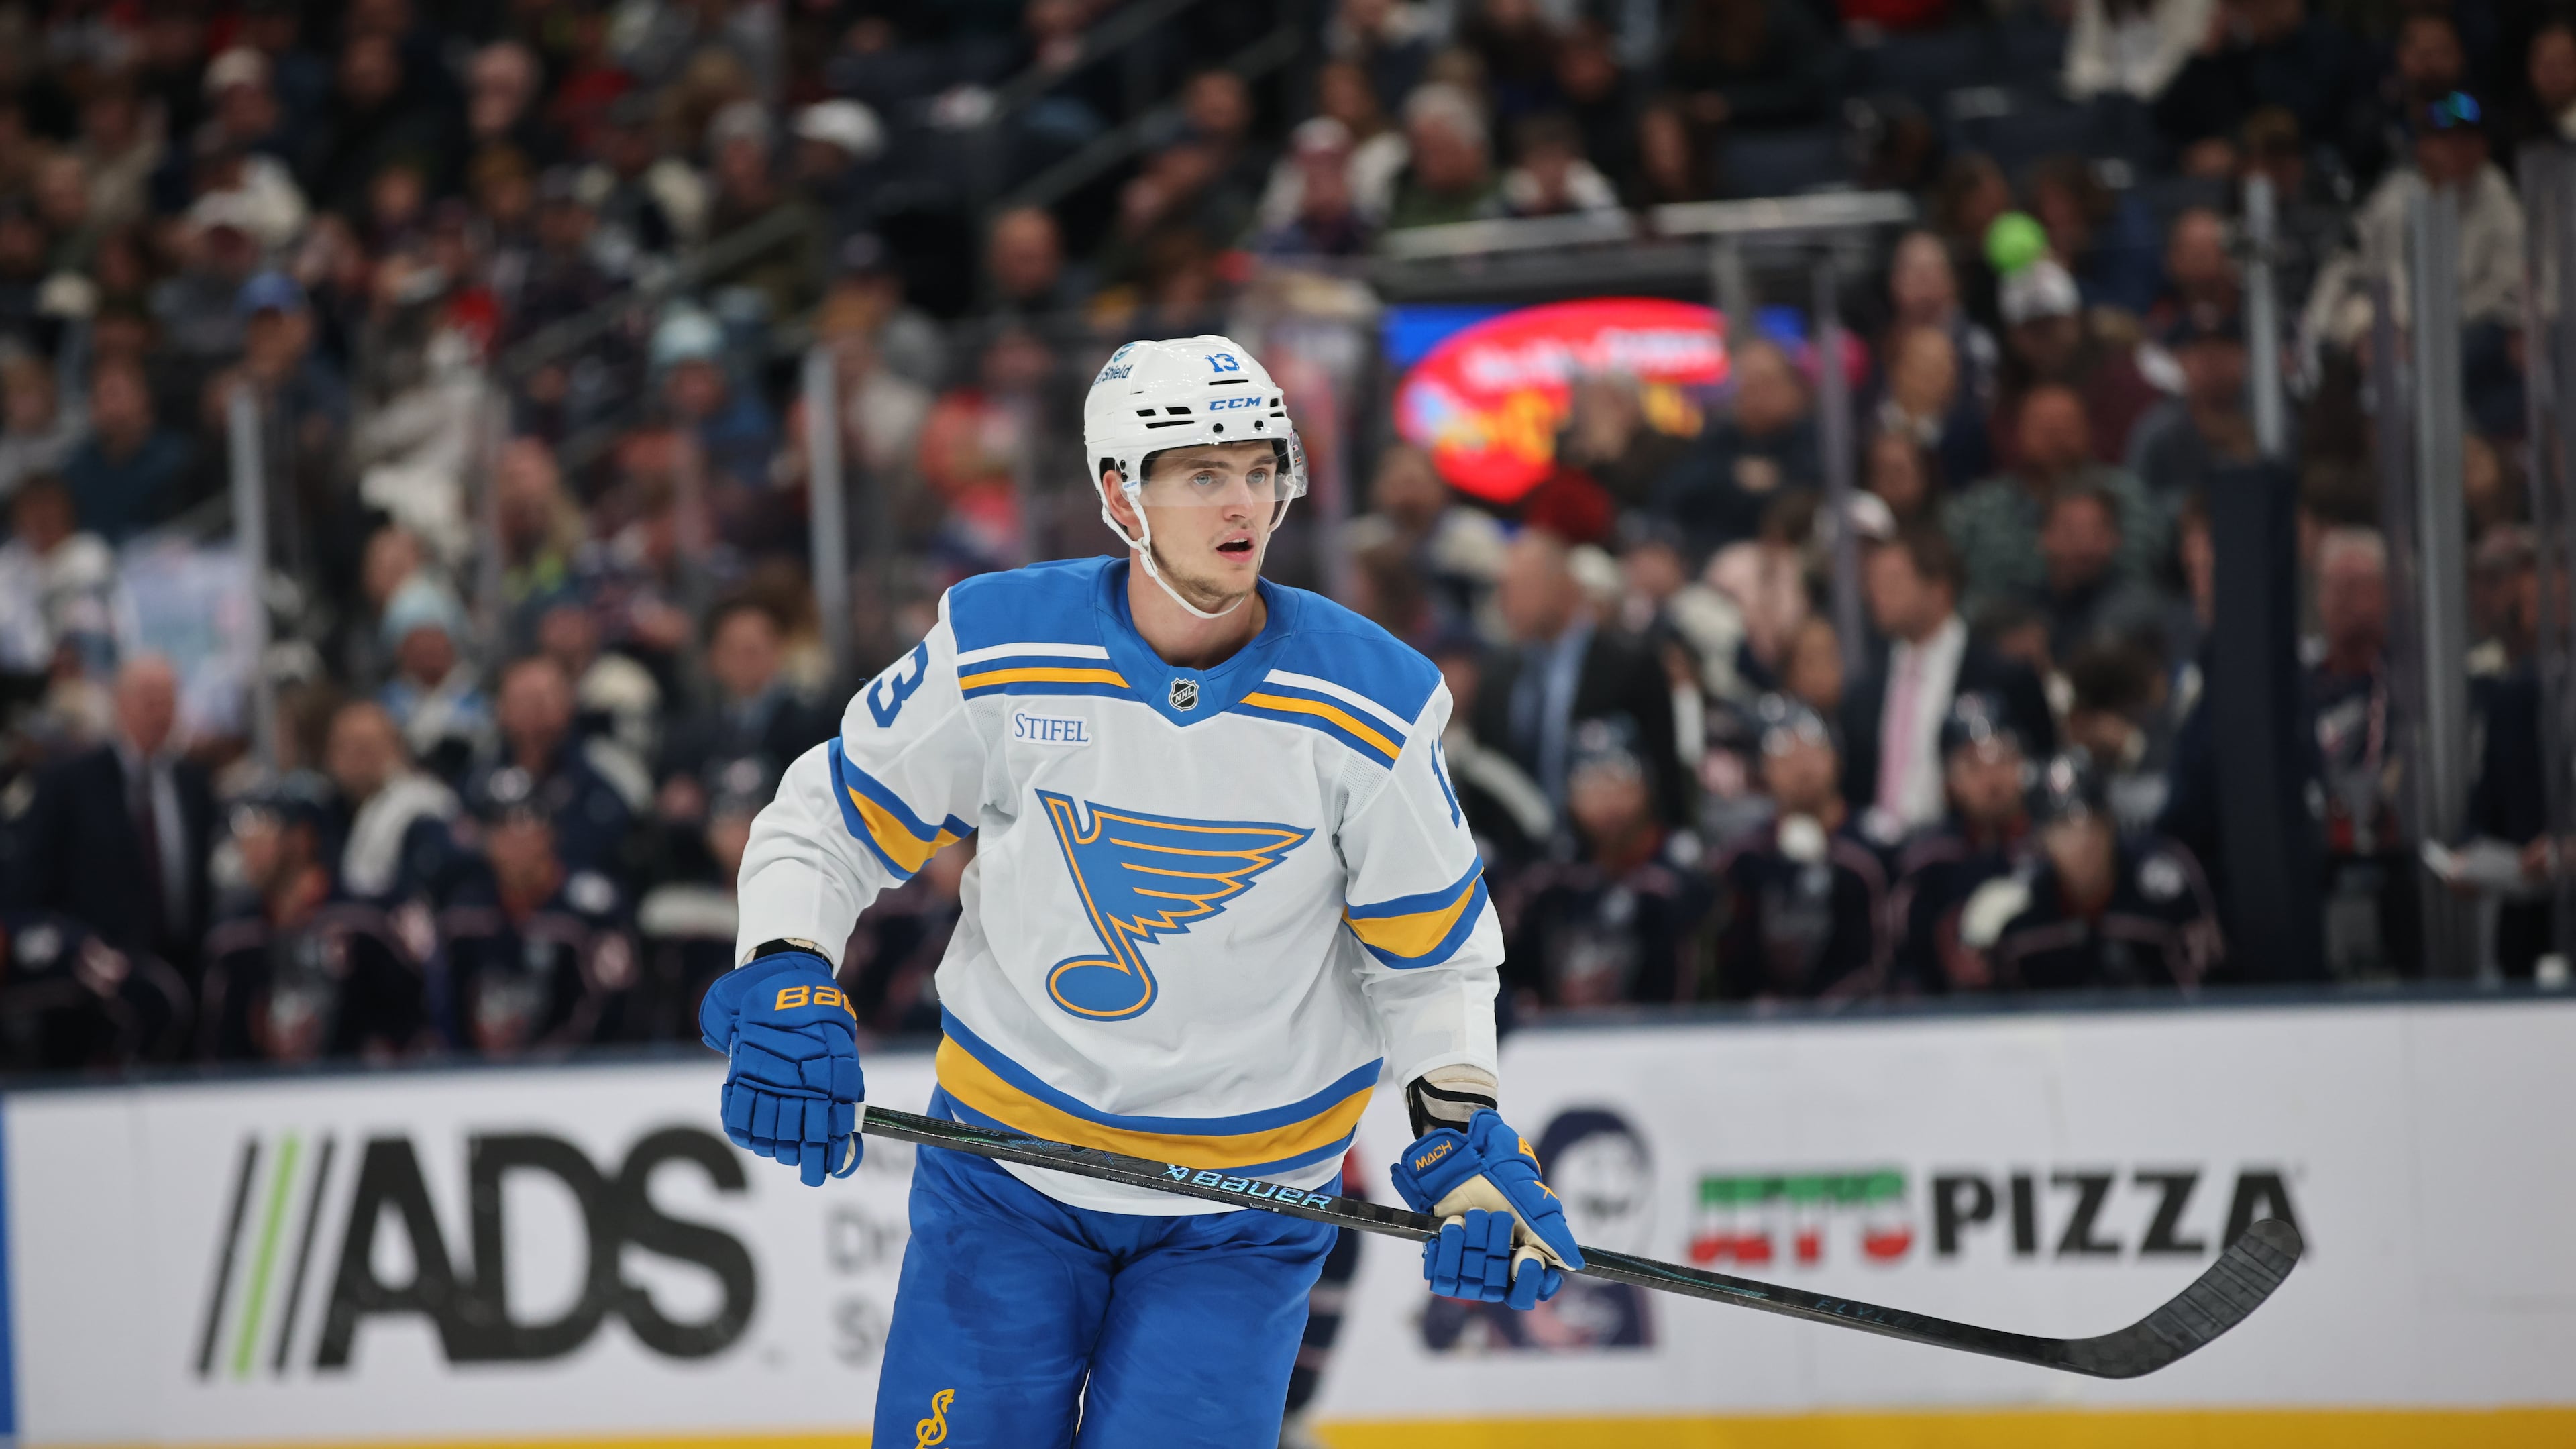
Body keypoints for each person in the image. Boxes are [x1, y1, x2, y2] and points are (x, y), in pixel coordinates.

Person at [710, 335, 1581, 1445]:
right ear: (1121, 492)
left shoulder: (1373, 704)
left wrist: (1462, 1144)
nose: (1245, 503)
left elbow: (1434, 956)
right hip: (1004, 1176)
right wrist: (786, 967)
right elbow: (825, 819)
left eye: (1262, 470)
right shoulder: (997, 644)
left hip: (1245, 1214)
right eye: (1204, 473)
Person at [0, 655, 215, 985]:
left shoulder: (194, 785)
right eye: (149, 699)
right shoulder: (68, 783)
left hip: (184, 970)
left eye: (168, 700)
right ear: (121, 702)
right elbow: (29, 884)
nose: (160, 711)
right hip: (102, 984)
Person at [1841, 527, 2056, 838]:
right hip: (1880, 853)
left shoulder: (2005, 678)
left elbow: (2040, 768)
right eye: (1871, 582)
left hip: (1971, 850)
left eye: (1892, 582)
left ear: (1939, 590)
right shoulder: (1865, 689)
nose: (1875, 594)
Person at [1470, 528, 1691, 825]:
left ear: (1563, 584)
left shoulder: (1631, 665)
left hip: (1617, 852)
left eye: (1516, 587)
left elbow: (1664, 768)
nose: (1504, 602)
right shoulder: (1497, 676)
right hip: (1524, 860)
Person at [199, 780, 427, 1062]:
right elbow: (219, 1050)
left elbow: (410, 1030)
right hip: (262, 1097)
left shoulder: (364, 925)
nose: (247, 845)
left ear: (302, 838)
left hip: (360, 1093)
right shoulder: (232, 938)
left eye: (262, 828)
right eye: (241, 832)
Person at [1503, 718, 1715, 1010]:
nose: (1605, 796)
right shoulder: (1549, 881)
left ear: (1646, 785)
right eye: (1588, 781)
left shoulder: (1683, 873)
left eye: (1618, 776)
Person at [438, 766, 641, 1055]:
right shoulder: (463, 912)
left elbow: (615, 1010)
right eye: (500, 825)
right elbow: (444, 1004)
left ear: (551, 831)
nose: (515, 838)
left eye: (527, 821)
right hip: (477, 1079)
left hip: (576, 1079)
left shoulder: (592, 910)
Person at [1979, 753, 2222, 989]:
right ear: (2043, 839)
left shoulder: (2163, 882)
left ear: (2110, 823)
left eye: (2090, 821)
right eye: (2063, 827)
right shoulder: (2022, 906)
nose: (2082, 840)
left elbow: (2213, 985)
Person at [1711, 697, 1890, 1000]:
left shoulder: (1876, 847)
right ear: (1763, 771)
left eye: (1811, 753)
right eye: (1785, 757)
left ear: (1835, 758)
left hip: (1859, 1022)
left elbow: (1885, 956)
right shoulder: (1744, 859)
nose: (1802, 769)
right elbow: (1732, 958)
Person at [1890, 694, 2035, 992]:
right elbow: (1905, 965)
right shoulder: (1927, 863)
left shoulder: (2050, 851)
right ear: (1949, 780)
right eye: (1973, 765)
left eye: (2003, 758)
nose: (1992, 779)